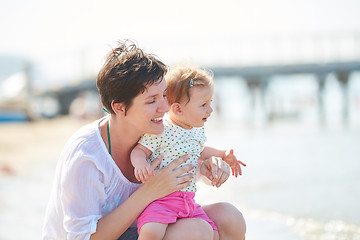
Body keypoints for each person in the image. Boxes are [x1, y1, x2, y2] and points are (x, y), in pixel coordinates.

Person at [42, 40, 246, 240]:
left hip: (142, 229)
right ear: (120, 108)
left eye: (164, 95)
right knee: (194, 232)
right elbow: (82, 237)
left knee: (229, 217)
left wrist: (209, 166)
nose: (165, 108)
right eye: (151, 100)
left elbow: (181, 168)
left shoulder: (158, 130)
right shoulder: (87, 155)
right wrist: (148, 192)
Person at [131, 65, 246, 240]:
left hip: (187, 201)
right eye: (203, 105)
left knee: (214, 233)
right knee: (152, 231)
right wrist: (140, 163)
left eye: (210, 103)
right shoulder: (163, 130)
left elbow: (201, 151)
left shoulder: (196, 132)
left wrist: (223, 155)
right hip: (162, 201)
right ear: (177, 109)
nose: (210, 110)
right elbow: (140, 150)